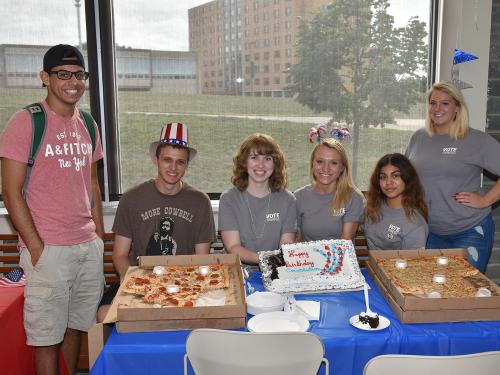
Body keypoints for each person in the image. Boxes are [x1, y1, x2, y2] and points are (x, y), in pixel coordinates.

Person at [0, 44, 104, 375]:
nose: (72, 81)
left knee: (76, 329)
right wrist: (36, 247)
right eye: (63, 74)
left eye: (79, 74)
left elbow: (93, 184)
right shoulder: (26, 122)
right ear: (45, 78)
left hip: (86, 247)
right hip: (49, 251)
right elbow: (10, 192)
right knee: (46, 338)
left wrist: (98, 237)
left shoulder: (88, 123)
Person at [96, 122, 215, 322]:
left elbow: (201, 258)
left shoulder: (200, 201)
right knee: (103, 314)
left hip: (183, 284)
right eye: (167, 160)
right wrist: (141, 284)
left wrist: (181, 287)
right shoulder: (132, 198)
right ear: (156, 159)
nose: (173, 168)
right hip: (140, 281)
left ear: (187, 164)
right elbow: (120, 255)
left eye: (180, 162)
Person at [406, 81, 500, 272]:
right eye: (433, 103)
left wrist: (484, 201)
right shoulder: (418, 138)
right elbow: (406, 179)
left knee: (465, 293)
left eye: (445, 103)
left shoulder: (476, 140)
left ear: (457, 107)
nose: (437, 108)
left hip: (470, 231)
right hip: (428, 231)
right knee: (434, 292)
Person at [218, 133, 297, 266]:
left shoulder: (288, 200)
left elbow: (287, 245)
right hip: (239, 269)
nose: (261, 165)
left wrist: (273, 264)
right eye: (254, 157)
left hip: (276, 269)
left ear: (275, 163)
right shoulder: (228, 199)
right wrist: (265, 260)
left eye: (267, 158)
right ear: (244, 162)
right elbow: (233, 247)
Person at [294, 138, 364, 242]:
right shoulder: (298, 197)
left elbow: (345, 242)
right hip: (307, 258)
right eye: (320, 161)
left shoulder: (353, 198)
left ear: (342, 168)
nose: (325, 169)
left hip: (340, 257)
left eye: (334, 163)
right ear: (312, 164)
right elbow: (296, 241)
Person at [364, 153, 428, 250]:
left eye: (395, 176)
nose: (388, 182)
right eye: (383, 177)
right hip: (370, 264)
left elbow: (411, 263)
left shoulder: (415, 224)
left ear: (407, 178)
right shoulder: (373, 206)